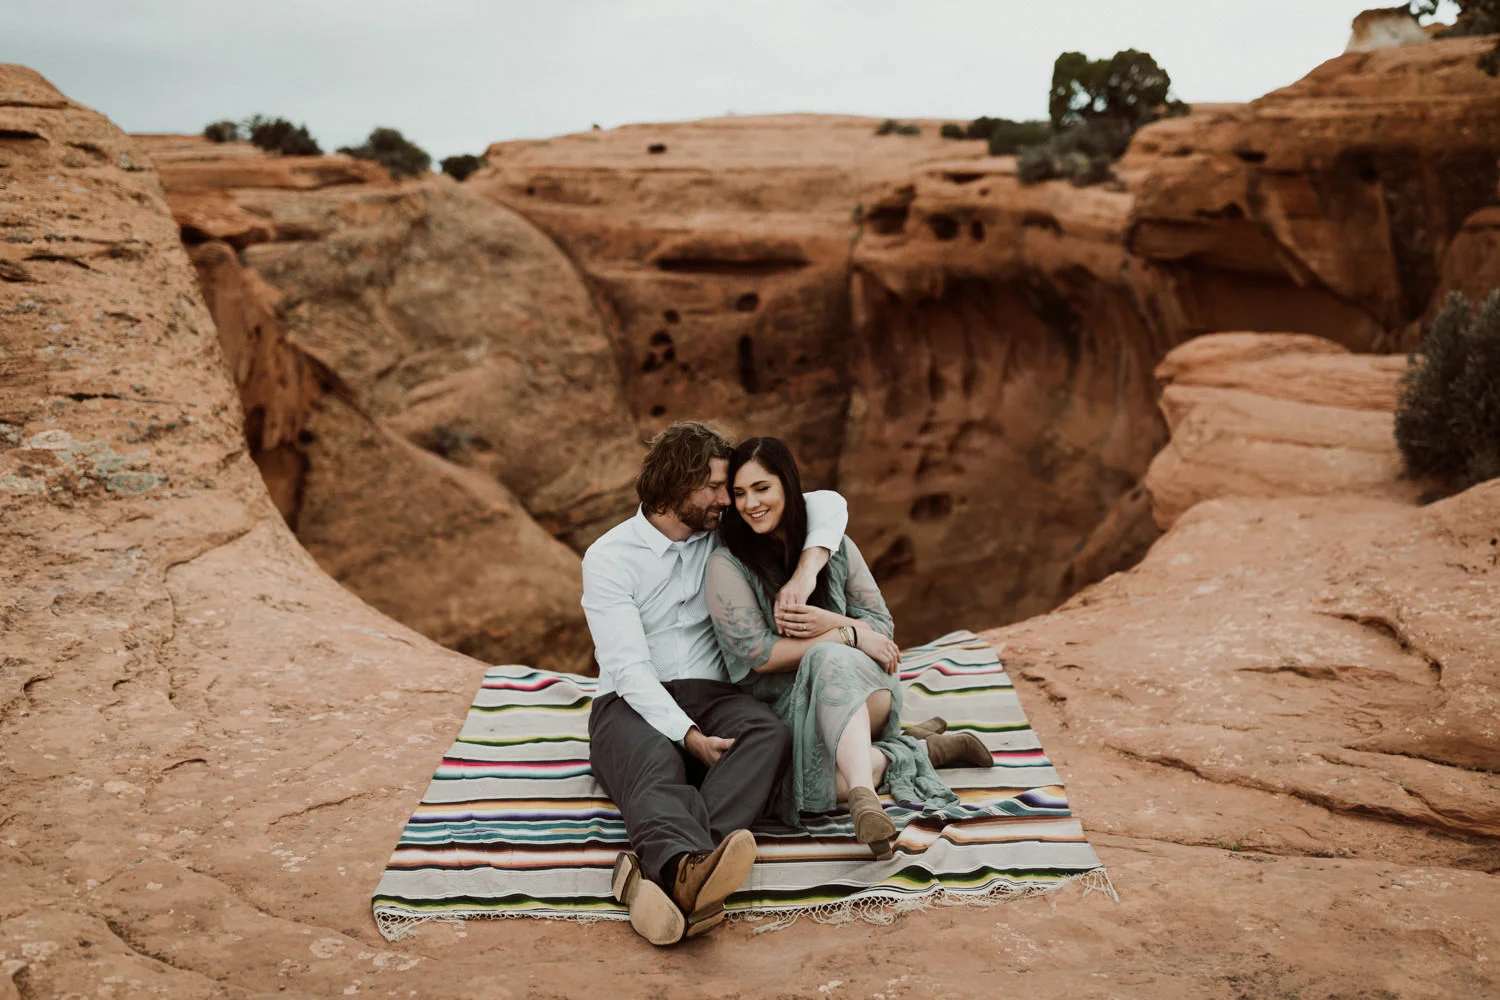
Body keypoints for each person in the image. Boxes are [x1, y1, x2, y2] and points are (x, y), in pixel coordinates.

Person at [582, 421, 851, 946]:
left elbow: (827, 504)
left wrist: (804, 576)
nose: (728, 500)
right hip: (627, 701)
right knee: (657, 762)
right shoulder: (609, 557)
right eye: (713, 487)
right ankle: (686, 871)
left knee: (768, 734)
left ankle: (673, 873)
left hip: (713, 695)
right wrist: (688, 738)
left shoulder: (721, 536)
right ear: (676, 486)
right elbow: (629, 668)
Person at [705, 437, 994, 859]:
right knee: (812, 787)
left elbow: (881, 628)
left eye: (762, 488)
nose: (751, 503)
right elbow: (759, 656)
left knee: (829, 659)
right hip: (786, 709)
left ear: (787, 485)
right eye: (740, 493)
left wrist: (836, 625)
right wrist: (847, 634)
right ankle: (920, 750)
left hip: (864, 691)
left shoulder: (834, 549)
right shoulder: (727, 563)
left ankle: (865, 800)